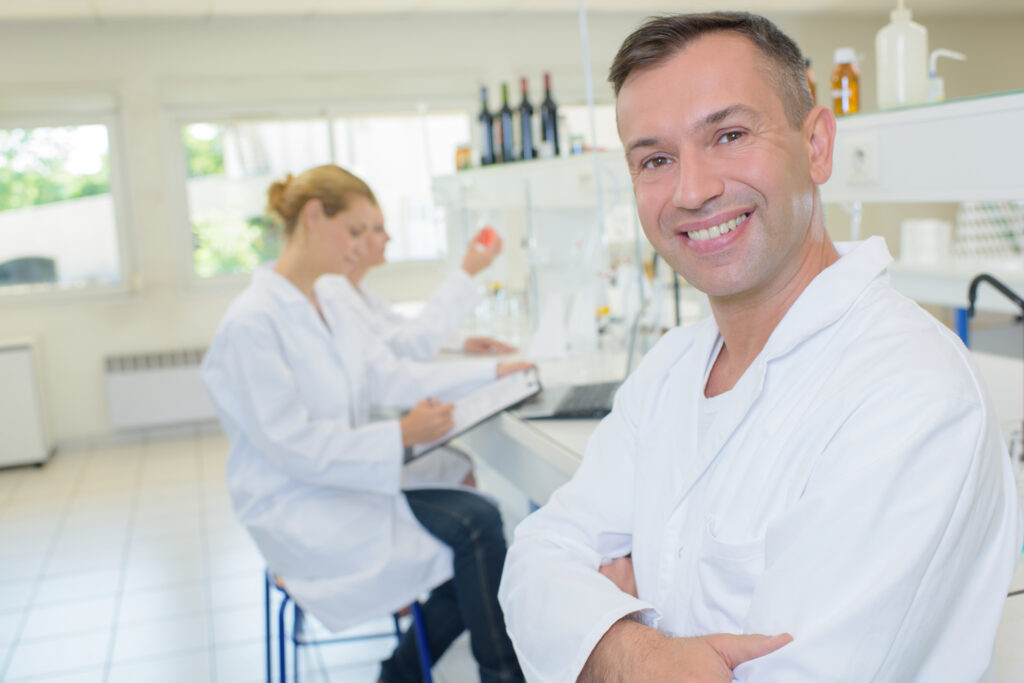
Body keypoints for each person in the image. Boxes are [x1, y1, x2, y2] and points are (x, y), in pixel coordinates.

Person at [498, 12, 1022, 683]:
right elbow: (536, 559)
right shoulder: (672, 369)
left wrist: (603, 621)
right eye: (656, 158)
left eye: (729, 134)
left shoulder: (909, 390)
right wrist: (640, 651)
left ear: (817, 145)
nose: (693, 190)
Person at [201, 165, 527, 683]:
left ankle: (405, 674)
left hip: (347, 484)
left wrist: (495, 373)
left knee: (485, 521)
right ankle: (476, 674)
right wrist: (400, 435)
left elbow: (390, 374)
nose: (363, 247)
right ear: (312, 217)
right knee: (477, 528)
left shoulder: (329, 300)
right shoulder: (252, 322)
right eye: (355, 232)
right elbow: (295, 447)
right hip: (299, 505)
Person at [319, 209, 515, 362]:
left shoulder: (361, 292)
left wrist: (461, 342)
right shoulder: (335, 295)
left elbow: (403, 331)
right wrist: (468, 270)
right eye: (377, 229)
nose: (388, 238)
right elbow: (412, 346)